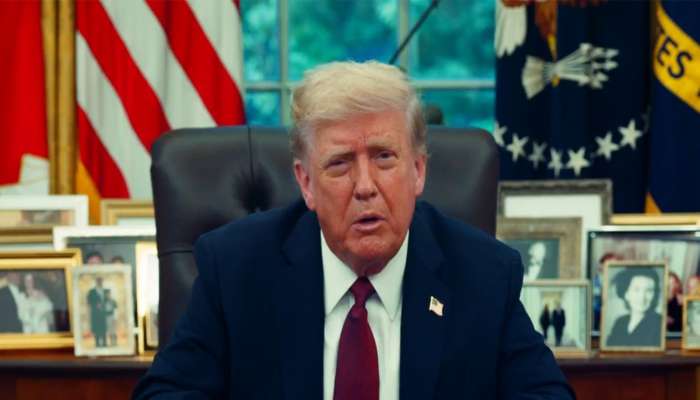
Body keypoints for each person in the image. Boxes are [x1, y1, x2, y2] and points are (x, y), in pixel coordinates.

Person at [134, 61, 573, 399]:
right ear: (306, 183)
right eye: (340, 163)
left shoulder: (483, 273)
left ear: (418, 171)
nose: (365, 186)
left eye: (384, 157)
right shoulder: (237, 268)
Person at [606, 268, 663, 347]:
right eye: (636, 290)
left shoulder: (659, 323)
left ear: (655, 295)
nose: (642, 297)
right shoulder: (620, 323)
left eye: (649, 291)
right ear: (626, 294)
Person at [87, 276, 107, 347]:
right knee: (96, 328)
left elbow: (108, 300)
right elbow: (89, 301)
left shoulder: (105, 291)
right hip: (95, 313)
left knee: (103, 328)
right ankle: (97, 343)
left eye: (101, 281)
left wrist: (104, 306)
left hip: (103, 313)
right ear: (96, 282)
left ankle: (104, 343)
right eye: (99, 281)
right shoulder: (92, 291)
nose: (100, 282)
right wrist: (96, 305)